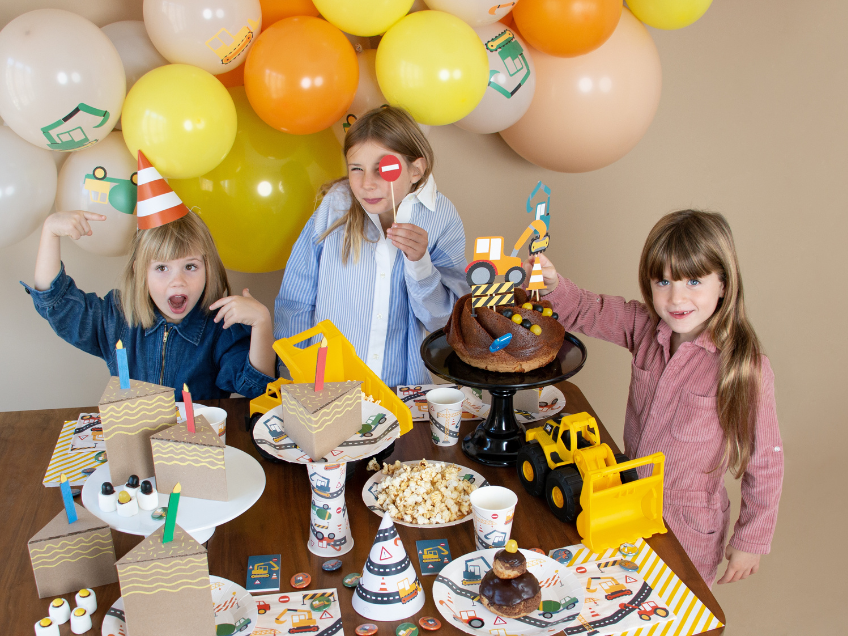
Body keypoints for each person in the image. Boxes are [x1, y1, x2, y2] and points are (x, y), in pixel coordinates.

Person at [526, 210, 782, 587]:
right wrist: (550, 284)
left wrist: (751, 539)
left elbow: (767, 462)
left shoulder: (746, 367)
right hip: (625, 503)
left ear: (724, 284)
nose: (676, 297)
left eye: (694, 281)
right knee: (624, 600)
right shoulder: (644, 327)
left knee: (676, 613)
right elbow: (586, 308)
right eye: (663, 281)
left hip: (689, 526)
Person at [274, 106, 469, 387]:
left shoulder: (441, 216)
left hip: (400, 386)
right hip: (328, 382)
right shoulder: (336, 206)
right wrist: (298, 370)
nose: (367, 183)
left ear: (415, 169)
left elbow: (445, 320)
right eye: (357, 169)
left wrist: (420, 264)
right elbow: (296, 298)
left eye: (382, 169)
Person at [24, 209, 275, 400]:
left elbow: (257, 388)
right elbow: (57, 305)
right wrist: (50, 231)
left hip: (195, 453)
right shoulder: (117, 317)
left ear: (208, 268)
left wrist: (262, 323)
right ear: (140, 271)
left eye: (190, 266)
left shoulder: (222, 326)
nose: (178, 281)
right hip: (134, 449)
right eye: (162, 268)